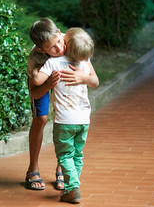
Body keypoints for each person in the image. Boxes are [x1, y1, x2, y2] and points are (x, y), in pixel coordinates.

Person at [26, 18, 98, 191]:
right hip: (44, 79)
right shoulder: (35, 56)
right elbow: (34, 91)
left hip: (65, 87)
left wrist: (84, 77)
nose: (59, 49)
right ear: (42, 49)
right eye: (52, 47)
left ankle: (62, 169)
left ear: (60, 33)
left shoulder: (72, 42)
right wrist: (47, 84)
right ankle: (32, 169)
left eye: (59, 41)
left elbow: (94, 80)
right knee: (41, 118)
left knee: (66, 118)